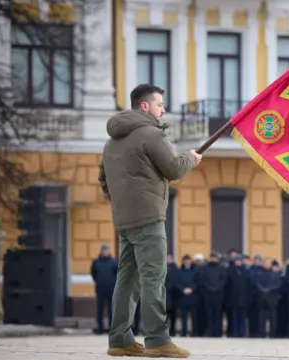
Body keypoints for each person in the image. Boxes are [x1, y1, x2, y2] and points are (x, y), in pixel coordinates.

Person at [99, 84, 202, 358]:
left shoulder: (111, 142)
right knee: (153, 278)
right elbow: (174, 168)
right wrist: (191, 158)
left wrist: (123, 203)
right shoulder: (151, 134)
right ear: (145, 106)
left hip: (124, 220)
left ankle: (120, 339)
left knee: (127, 280)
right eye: (159, 105)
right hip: (149, 218)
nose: (163, 110)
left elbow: (103, 181)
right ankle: (157, 339)